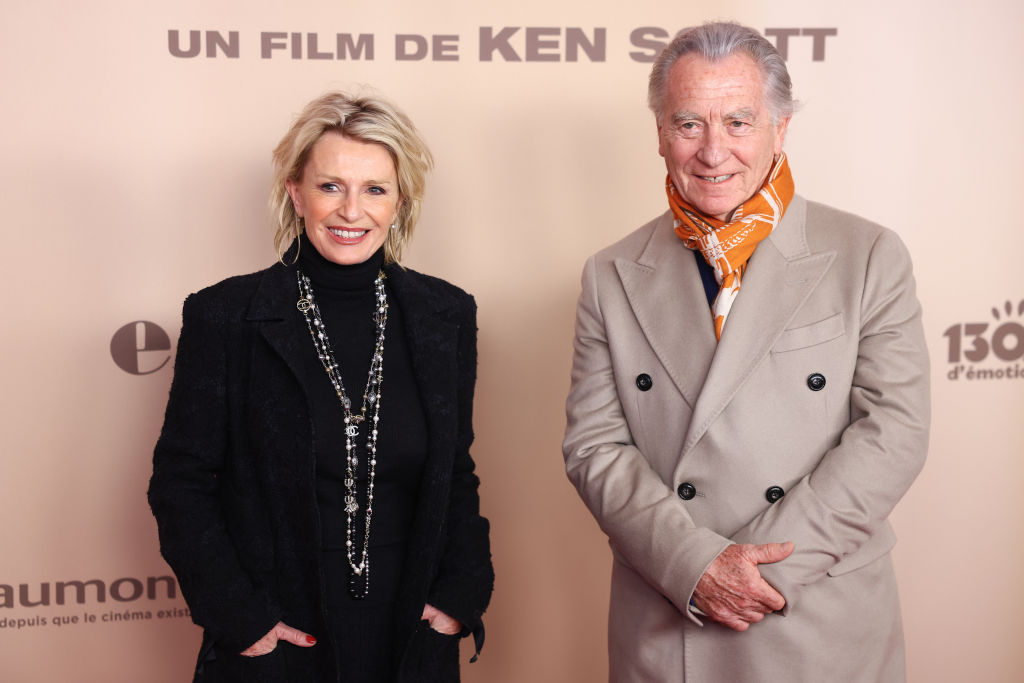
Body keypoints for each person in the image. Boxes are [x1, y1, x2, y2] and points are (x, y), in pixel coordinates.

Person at [562, 22, 929, 682]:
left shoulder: (867, 256)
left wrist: (759, 572)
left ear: (780, 129)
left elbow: (894, 433)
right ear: (659, 133)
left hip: (814, 616)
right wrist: (694, 564)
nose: (712, 151)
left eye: (738, 121)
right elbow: (594, 447)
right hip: (670, 620)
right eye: (688, 123)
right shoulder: (610, 272)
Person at [149, 91, 493, 683]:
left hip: (411, 633)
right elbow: (181, 483)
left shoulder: (445, 314)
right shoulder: (227, 316)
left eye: (375, 189)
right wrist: (241, 619)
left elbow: (454, 471)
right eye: (331, 186)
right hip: (278, 636)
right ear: (295, 192)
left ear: (401, 200)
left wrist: (461, 595)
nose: (351, 211)